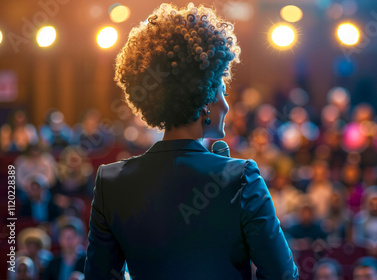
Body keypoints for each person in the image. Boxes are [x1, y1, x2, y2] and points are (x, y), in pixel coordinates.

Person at [84, 3, 298, 279]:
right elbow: (282, 275)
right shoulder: (241, 177)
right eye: (222, 91)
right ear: (205, 98)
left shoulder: (110, 181)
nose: (226, 104)